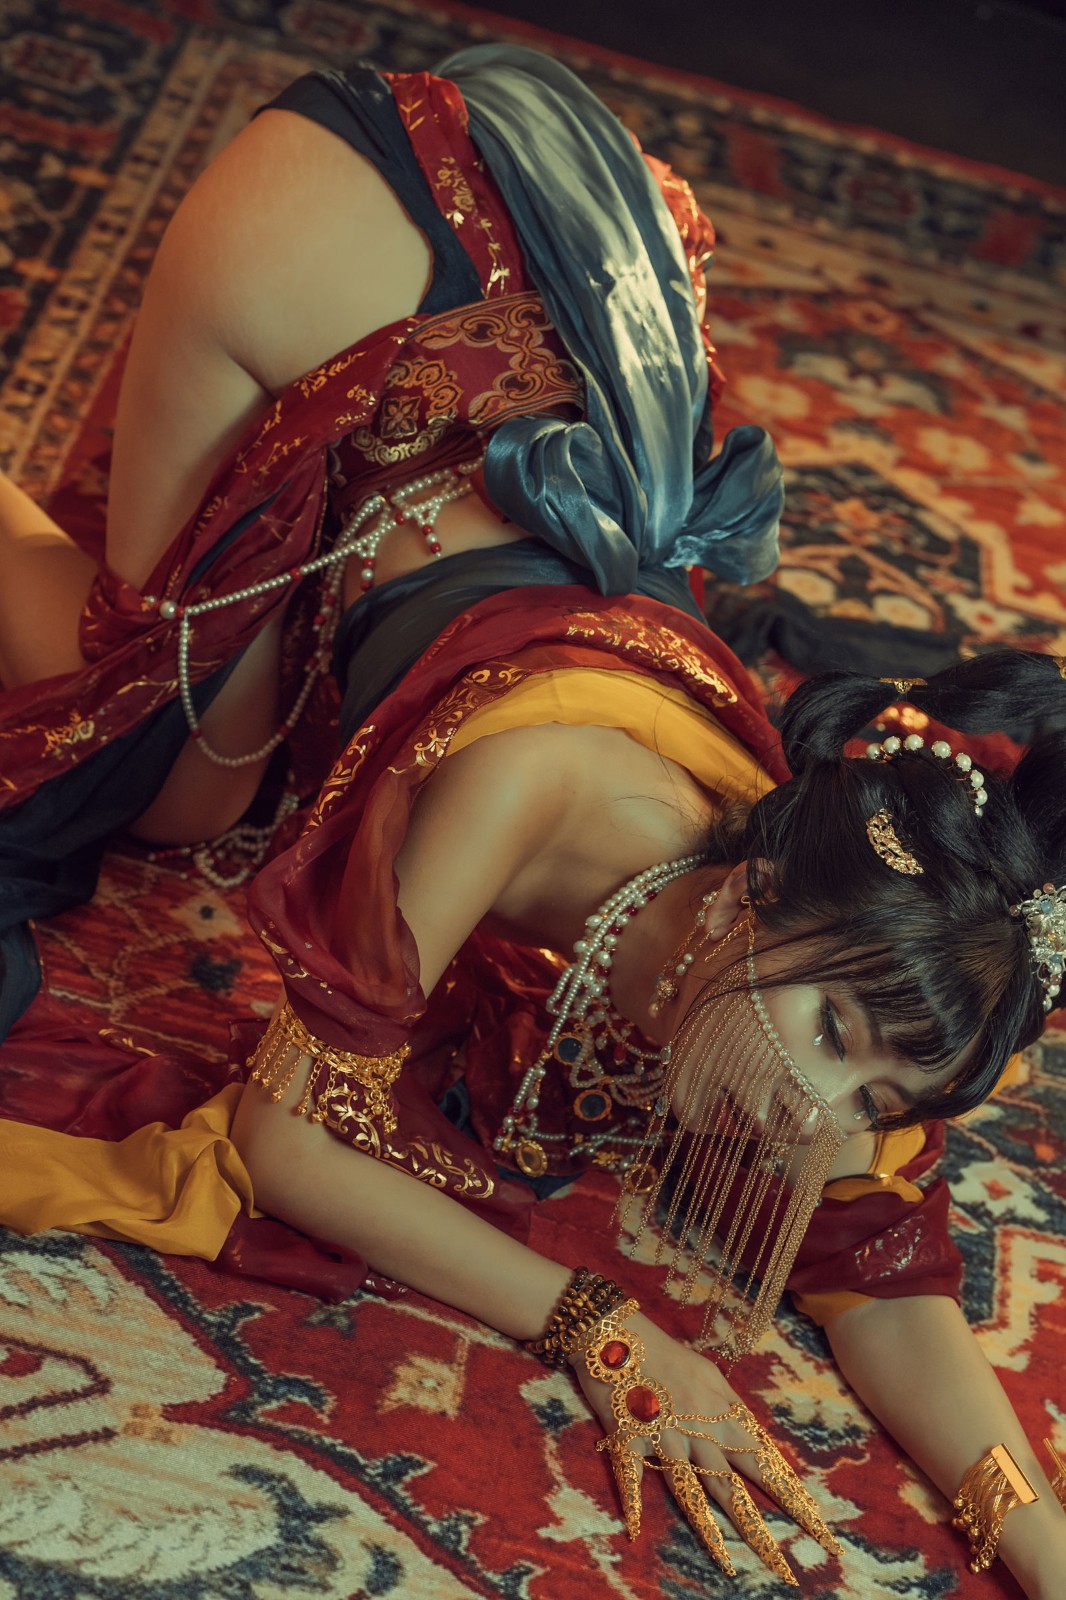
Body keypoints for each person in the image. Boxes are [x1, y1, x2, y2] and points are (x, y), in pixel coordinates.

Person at [0, 44, 1064, 1594]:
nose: (815, 1116)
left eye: (875, 1087)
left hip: (528, 369)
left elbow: (880, 1274)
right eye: (833, 1041)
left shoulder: (831, 949)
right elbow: (285, 1141)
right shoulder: (538, 780)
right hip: (355, 250)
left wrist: (1034, 1539)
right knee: (174, 772)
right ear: (751, 897)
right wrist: (595, 1325)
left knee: (216, 758)